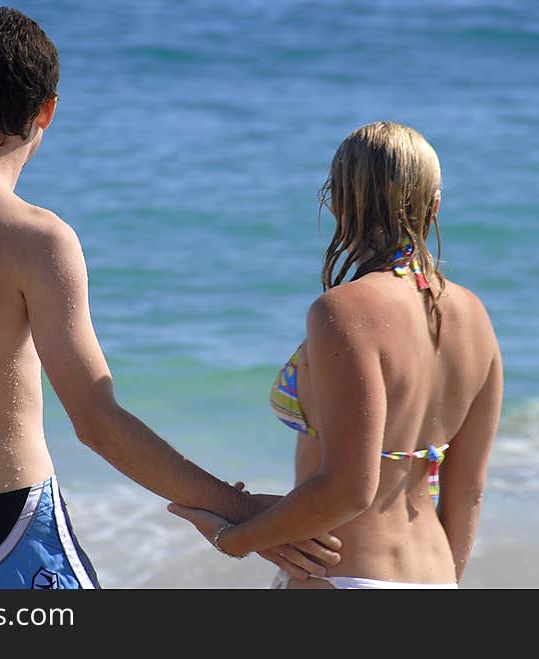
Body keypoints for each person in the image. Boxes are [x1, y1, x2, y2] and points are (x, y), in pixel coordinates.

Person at [0, 6, 340, 590]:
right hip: (9, 541)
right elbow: (97, 422)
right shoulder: (37, 239)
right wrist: (242, 510)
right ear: (47, 110)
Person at [169, 121, 503, 589]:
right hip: (437, 576)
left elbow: (349, 490)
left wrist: (234, 538)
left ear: (340, 201)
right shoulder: (475, 318)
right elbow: (468, 491)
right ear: (435, 206)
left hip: (343, 575)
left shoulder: (343, 312)